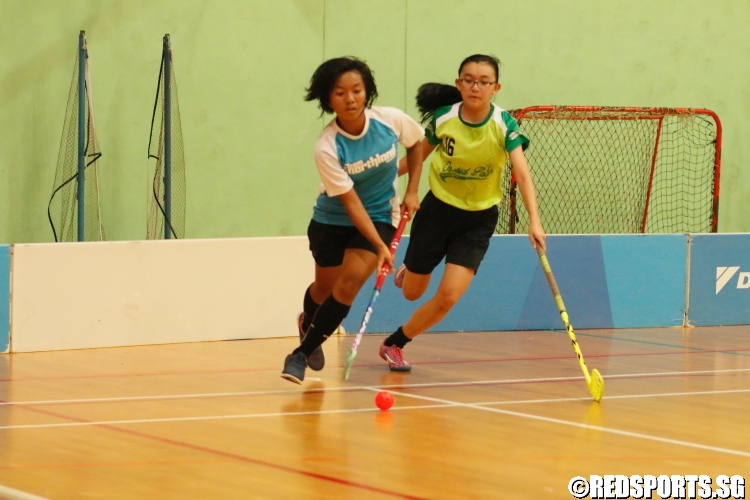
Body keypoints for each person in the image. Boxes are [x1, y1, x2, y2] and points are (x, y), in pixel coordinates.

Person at [380, 54, 546, 371]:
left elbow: (522, 174)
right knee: (413, 294)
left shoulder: (504, 124)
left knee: (448, 297)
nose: (475, 87)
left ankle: (395, 343)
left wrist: (534, 222)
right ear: (459, 84)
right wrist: (373, 181)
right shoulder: (444, 119)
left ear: (495, 87)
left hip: (478, 220)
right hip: (437, 212)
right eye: (468, 80)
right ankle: (410, 268)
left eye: (483, 82)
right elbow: (414, 159)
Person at [281, 56, 425, 384]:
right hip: (332, 220)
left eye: (357, 90)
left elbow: (417, 144)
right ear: (327, 99)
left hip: (379, 216)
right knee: (324, 289)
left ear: (367, 92)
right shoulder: (328, 146)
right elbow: (350, 204)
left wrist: (412, 190)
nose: (350, 99)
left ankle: (300, 355)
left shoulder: (390, 120)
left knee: (347, 287)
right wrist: (380, 246)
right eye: (340, 93)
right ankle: (310, 321)